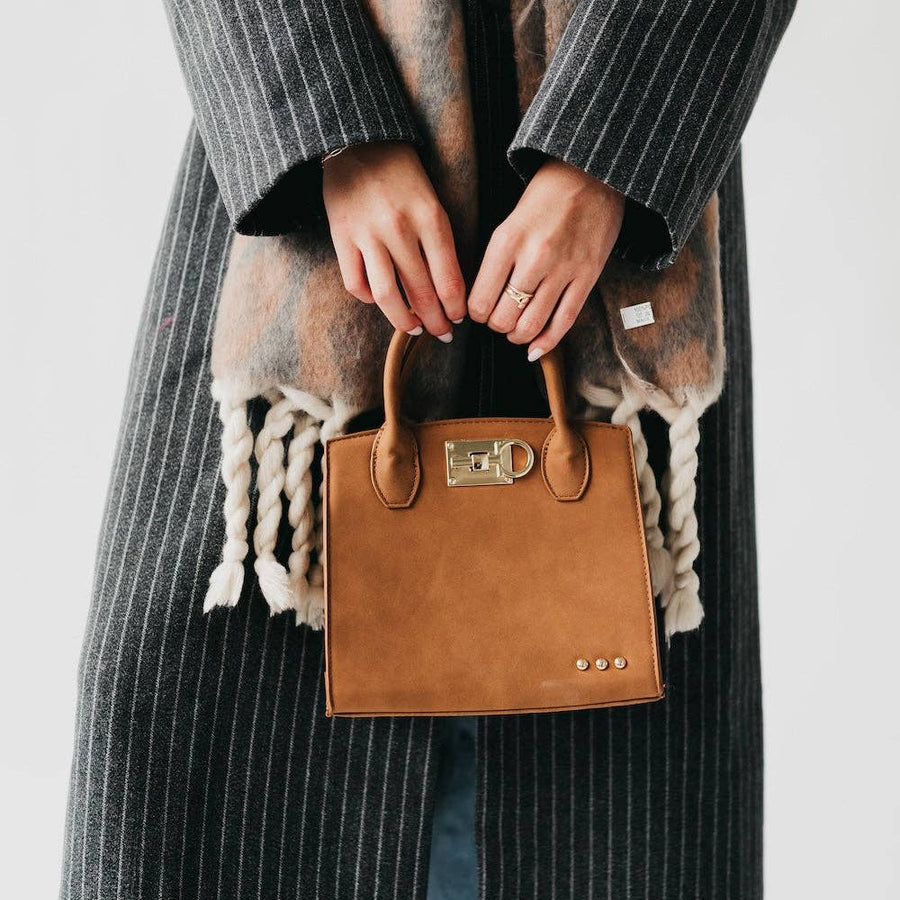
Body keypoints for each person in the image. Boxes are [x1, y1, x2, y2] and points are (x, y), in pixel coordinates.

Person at [58, 1, 795, 897]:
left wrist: (609, 146)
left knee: (609, 813)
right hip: (305, 216)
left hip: (627, 222)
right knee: (212, 750)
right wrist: (332, 128)